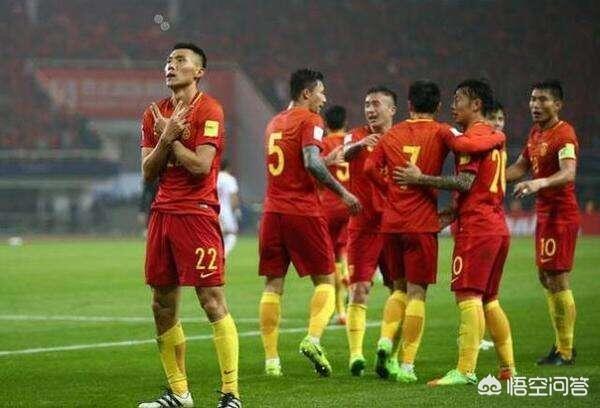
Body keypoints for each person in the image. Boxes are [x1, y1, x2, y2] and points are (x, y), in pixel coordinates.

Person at [366, 80, 504, 383]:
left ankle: (385, 340)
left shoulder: (392, 134)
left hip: (392, 222)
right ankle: (407, 365)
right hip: (421, 222)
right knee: (417, 293)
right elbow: (467, 145)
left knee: (398, 289)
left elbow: (368, 169)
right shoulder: (443, 131)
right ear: (439, 106)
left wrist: (390, 191)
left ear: (408, 105)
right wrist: (497, 136)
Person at [139, 43, 241, 408]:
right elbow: (147, 172)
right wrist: (165, 137)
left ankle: (231, 394)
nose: (171, 65)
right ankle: (179, 393)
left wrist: (170, 139)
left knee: (211, 300)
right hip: (162, 214)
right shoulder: (153, 113)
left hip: (197, 214)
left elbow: (200, 166)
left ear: (199, 71)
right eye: (168, 60)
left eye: (180, 60)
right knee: (161, 305)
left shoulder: (210, 109)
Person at [258, 69, 361, 378]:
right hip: (302, 211)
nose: (324, 99)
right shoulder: (311, 120)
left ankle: (272, 361)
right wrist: (343, 192)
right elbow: (310, 162)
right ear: (306, 94)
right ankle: (313, 339)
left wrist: (326, 160)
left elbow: (293, 164)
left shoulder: (274, 122)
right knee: (326, 281)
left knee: (273, 284)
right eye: (320, 92)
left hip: (272, 212)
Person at [506, 79, 579, 365]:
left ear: (557, 105)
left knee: (557, 277)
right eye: (533, 99)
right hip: (546, 214)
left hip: (561, 214)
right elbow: (520, 167)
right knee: (545, 276)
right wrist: (491, 177)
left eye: (543, 100)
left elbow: (569, 172)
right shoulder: (536, 133)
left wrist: (540, 183)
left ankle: (566, 350)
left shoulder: (564, 134)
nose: (535, 105)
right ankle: (561, 345)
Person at [341, 86, 398, 377]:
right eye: (366, 104)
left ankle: (389, 352)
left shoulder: (401, 138)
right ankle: (356, 355)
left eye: (376, 104)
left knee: (398, 290)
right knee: (358, 289)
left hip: (394, 225)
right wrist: (362, 145)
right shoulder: (356, 136)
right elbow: (343, 154)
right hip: (362, 226)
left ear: (392, 110)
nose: (370, 110)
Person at [320, 105, 351, 326]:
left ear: (325, 124)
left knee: (329, 261)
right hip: (349, 204)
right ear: (345, 122)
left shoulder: (323, 144)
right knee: (344, 253)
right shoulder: (351, 143)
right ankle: (347, 275)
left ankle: (337, 309)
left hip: (328, 206)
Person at [217, 159, 241, 256]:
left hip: (213, 209)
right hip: (226, 210)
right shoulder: (229, 179)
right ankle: (222, 255)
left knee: (218, 234)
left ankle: (217, 254)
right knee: (232, 234)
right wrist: (236, 209)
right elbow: (233, 197)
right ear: (228, 168)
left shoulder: (215, 177)